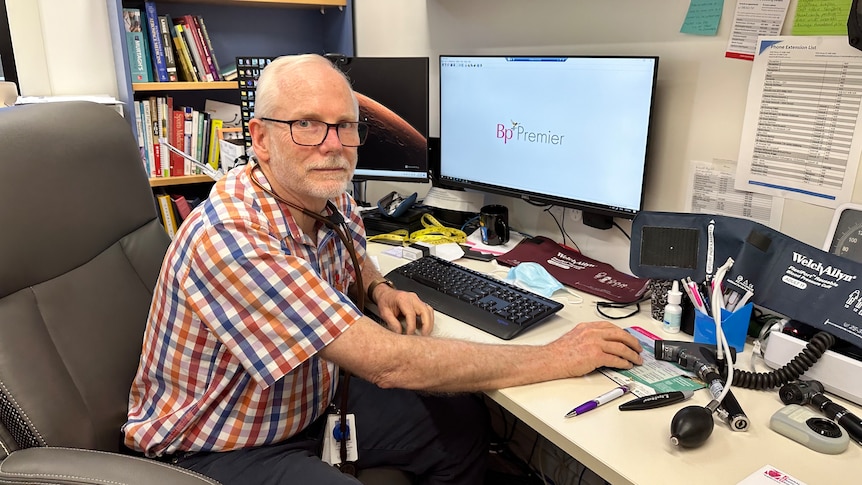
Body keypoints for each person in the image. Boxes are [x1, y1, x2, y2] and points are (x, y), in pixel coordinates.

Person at [123, 53, 644, 485]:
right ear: (260, 139)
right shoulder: (234, 237)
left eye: (346, 126)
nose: (333, 144)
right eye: (306, 124)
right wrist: (555, 356)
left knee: (461, 421)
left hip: (308, 404)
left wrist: (379, 290)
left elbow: (357, 256)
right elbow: (388, 364)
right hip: (216, 447)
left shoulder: (321, 193)